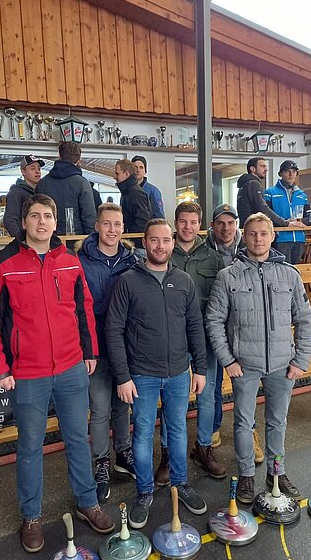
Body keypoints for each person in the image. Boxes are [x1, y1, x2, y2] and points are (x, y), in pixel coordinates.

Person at [0, 194, 114, 554]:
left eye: (48, 216)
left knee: (78, 439)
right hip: (27, 373)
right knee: (30, 446)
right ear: (23, 222)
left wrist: (89, 351)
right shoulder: (1, 265)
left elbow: (83, 307)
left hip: (71, 367)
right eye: (35, 216)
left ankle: (88, 502)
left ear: (56, 223)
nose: (42, 222)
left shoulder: (69, 260)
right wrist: (0, 368)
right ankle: (32, 516)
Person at [205, 212, 311, 504]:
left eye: (263, 233)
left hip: (283, 365)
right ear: (245, 236)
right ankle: (246, 475)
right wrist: (228, 360)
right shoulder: (228, 276)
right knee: (243, 422)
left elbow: (305, 320)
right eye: (252, 233)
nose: (258, 239)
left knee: (278, 422)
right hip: (244, 366)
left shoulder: (290, 275)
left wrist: (301, 360)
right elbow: (214, 320)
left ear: (272, 236)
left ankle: (276, 473)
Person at [105, 219, 207, 529]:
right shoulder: (127, 282)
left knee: (177, 430)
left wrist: (200, 368)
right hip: (142, 375)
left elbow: (194, 326)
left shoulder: (184, 281)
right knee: (143, 434)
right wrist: (123, 376)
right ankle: (145, 492)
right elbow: (114, 330)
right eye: (154, 240)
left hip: (178, 373)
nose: (160, 246)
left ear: (173, 243)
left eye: (165, 240)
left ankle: (181, 483)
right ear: (144, 243)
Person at [76, 203, 138, 503]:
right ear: (97, 226)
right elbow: (77, 308)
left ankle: (122, 453)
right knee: (100, 409)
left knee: (122, 404)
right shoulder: (80, 261)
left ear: (123, 228)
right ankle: (100, 461)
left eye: (117, 224)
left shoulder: (133, 261)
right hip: (96, 348)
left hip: (126, 347)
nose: (112, 229)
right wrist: (85, 346)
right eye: (107, 224)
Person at [166, 201, 226, 479]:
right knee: (172, 400)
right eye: (183, 221)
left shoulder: (213, 258)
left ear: (199, 225)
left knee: (207, 395)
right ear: (175, 223)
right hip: (173, 339)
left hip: (205, 338)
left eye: (192, 222)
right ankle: (169, 454)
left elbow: (221, 301)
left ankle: (203, 447)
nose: (187, 227)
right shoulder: (165, 253)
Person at [205, 204, 264, 464]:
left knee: (246, 387)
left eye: (230, 223)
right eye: (220, 223)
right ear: (212, 226)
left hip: (244, 327)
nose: (226, 228)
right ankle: (214, 426)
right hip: (215, 326)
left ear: (237, 225)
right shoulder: (203, 250)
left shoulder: (251, 248)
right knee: (214, 383)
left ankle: (250, 431)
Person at [37, 141, 96, 236]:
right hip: (75, 239)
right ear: (79, 160)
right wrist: (91, 240)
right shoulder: (82, 184)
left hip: (48, 238)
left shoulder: (42, 184)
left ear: (59, 156)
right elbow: (89, 217)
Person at [264, 160, 309, 264]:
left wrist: (300, 222)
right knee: (281, 269)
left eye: (294, 171)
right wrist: (285, 223)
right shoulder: (270, 193)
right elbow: (267, 216)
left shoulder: (302, 195)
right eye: (287, 171)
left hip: (299, 238)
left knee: (296, 269)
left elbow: (309, 217)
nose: (291, 174)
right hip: (280, 239)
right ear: (280, 174)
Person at [237, 157, 292, 228]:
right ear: (253, 169)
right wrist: (285, 223)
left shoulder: (245, 184)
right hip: (253, 228)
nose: (266, 169)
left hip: (247, 228)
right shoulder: (253, 184)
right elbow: (262, 208)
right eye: (262, 166)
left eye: (266, 166)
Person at [114, 159, 152, 251]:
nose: (114, 177)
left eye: (117, 173)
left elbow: (142, 221)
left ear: (126, 174)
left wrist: (131, 240)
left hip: (136, 247)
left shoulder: (134, 193)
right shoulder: (128, 192)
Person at [3, 155, 45, 237]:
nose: (37, 171)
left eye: (39, 169)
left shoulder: (41, 193)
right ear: (23, 171)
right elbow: (9, 220)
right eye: (32, 168)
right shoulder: (16, 193)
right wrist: (21, 239)